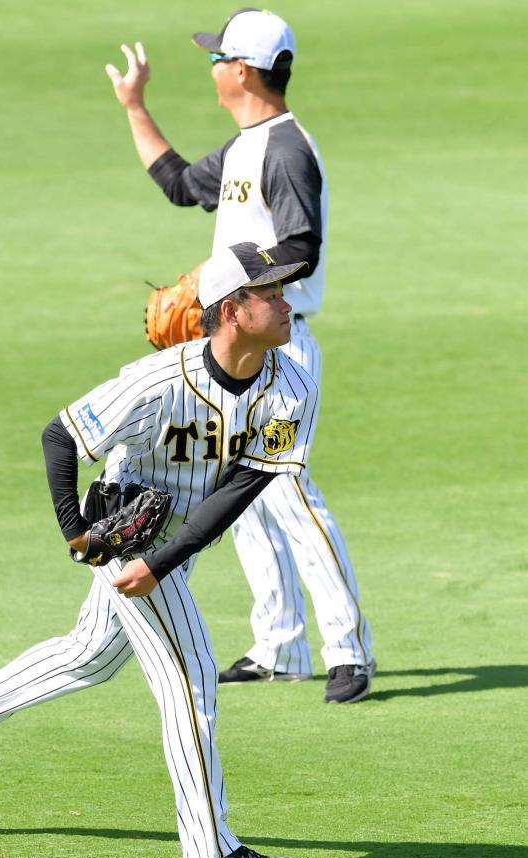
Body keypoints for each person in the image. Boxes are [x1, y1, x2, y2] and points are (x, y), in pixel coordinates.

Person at [0, 242, 319, 858]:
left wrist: (166, 560)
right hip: (124, 532)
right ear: (230, 311)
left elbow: (243, 486)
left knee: (91, 657)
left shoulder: (291, 388)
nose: (285, 302)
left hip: (169, 548)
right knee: (190, 680)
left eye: (283, 290)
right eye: (269, 293)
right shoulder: (157, 382)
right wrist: (77, 534)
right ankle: (210, 848)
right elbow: (61, 435)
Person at [105, 8, 375, 704]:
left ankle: (348, 649)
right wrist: (135, 107)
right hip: (237, 350)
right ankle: (279, 645)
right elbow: (177, 184)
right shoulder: (245, 145)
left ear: (244, 70)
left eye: (216, 58)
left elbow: (302, 245)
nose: (213, 68)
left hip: (282, 348)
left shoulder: (285, 149)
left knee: (285, 489)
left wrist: (228, 278)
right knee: (243, 497)